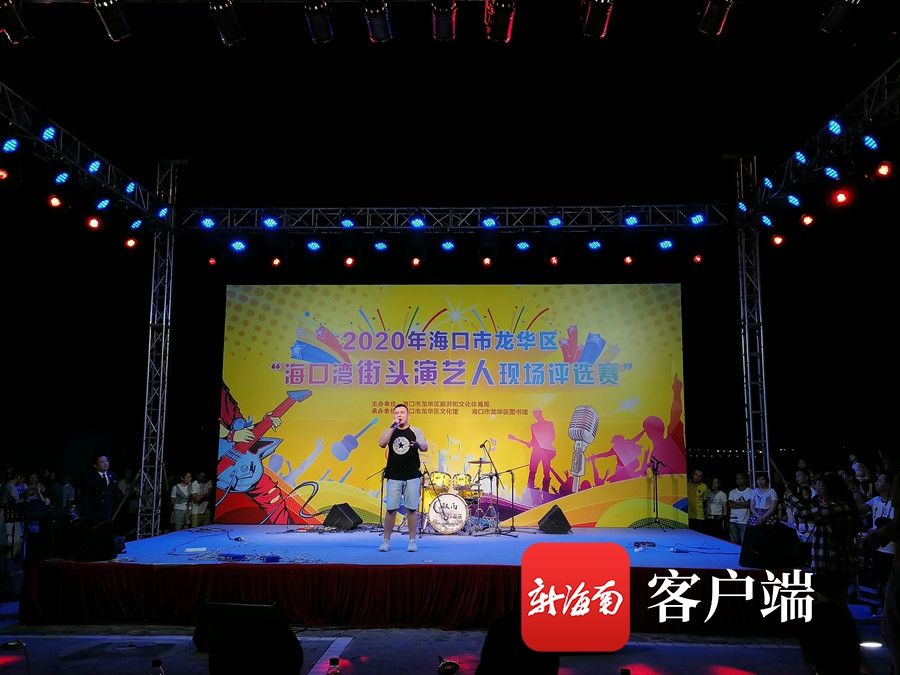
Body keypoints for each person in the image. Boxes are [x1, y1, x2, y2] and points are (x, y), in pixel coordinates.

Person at [782, 472, 862, 605]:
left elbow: (803, 513)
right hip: (839, 564)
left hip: (831, 566)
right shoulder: (842, 505)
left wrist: (790, 496)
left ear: (831, 489)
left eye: (822, 487)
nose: (820, 491)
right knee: (839, 604)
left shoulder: (837, 507)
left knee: (827, 605)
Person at [861, 449, 898, 675]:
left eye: (881, 479)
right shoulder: (875, 500)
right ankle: (884, 612)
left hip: (891, 550)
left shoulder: (896, 500)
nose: (877, 481)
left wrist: (878, 535)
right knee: (880, 582)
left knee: (888, 584)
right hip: (879, 550)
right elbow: (858, 510)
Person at [377, 403, 428, 553]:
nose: (399, 415)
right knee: (391, 509)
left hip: (412, 475)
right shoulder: (390, 430)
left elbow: (425, 447)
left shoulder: (416, 431)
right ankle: (386, 541)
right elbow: (381, 443)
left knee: (411, 509)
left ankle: (412, 541)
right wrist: (392, 427)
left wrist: (418, 445)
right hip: (394, 475)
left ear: (408, 416)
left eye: (402, 412)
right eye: (396, 413)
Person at [727, 471, 752, 544]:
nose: (738, 480)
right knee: (734, 543)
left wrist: (735, 502)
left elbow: (749, 504)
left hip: (744, 521)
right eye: (737, 479)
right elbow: (730, 505)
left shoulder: (751, 491)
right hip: (733, 520)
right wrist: (744, 504)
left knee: (744, 543)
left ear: (745, 480)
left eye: (741, 478)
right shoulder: (732, 492)